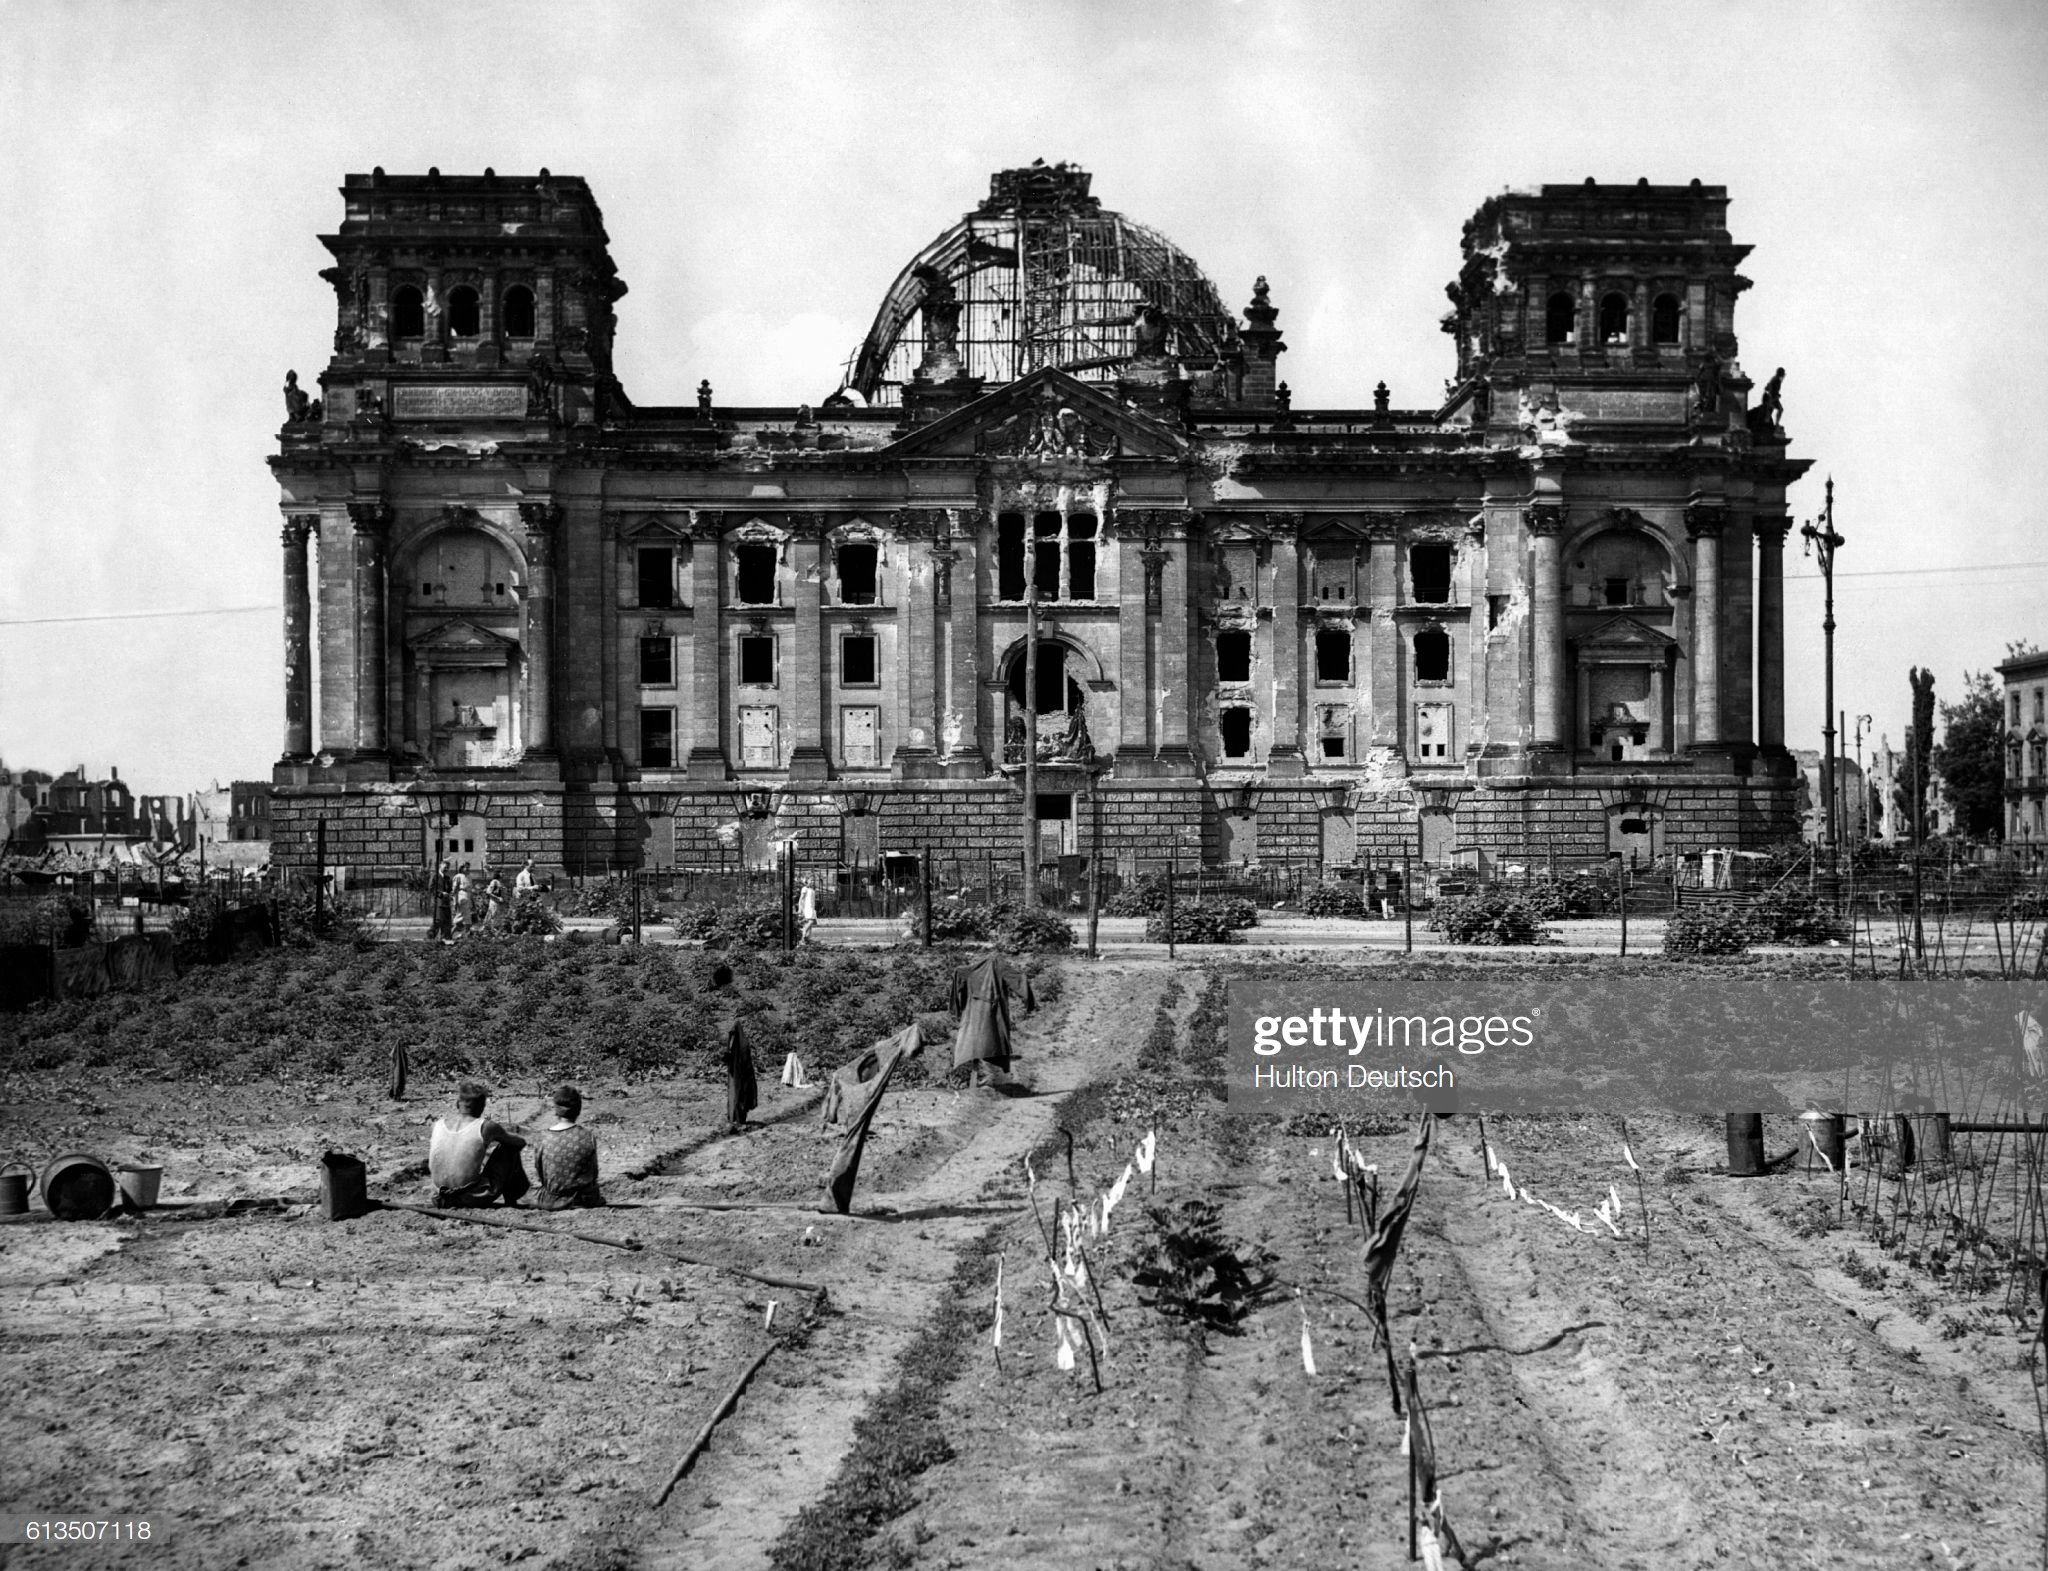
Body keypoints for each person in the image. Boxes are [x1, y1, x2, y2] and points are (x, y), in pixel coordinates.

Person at [428, 1083, 530, 1207]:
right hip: (470, 1197)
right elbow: (520, 1143)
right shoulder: (486, 1127)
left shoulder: (438, 1125)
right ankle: (513, 1199)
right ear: (482, 1106)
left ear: (457, 1103)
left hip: (439, 1196)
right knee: (508, 1148)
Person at [534, 1085, 603, 1210]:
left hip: (552, 1200)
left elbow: (541, 1173)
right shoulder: (588, 1136)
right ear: (578, 1109)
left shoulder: (543, 1137)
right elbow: (594, 1173)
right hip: (583, 1200)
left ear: (556, 1110)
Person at [431, 857, 454, 944]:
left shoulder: (448, 878)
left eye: (448, 867)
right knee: (439, 921)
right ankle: (433, 938)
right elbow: (431, 889)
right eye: (445, 866)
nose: (446, 868)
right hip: (438, 902)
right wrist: (440, 894)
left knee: (447, 921)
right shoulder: (435, 876)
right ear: (440, 865)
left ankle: (446, 938)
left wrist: (449, 894)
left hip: (446, 902)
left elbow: (450, 889)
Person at [452, 864, 472, 938]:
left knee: (467, 919)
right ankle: (451, 933)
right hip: (461, 895)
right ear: (462, 868)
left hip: (468, 896)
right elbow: (454, 889)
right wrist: (455, 900)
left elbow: (470, 888)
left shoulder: (469, 877)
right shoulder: (458, 876)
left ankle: (464, 935)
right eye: (465, 868)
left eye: (468, 868)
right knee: (461, 917)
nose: (467, 869)